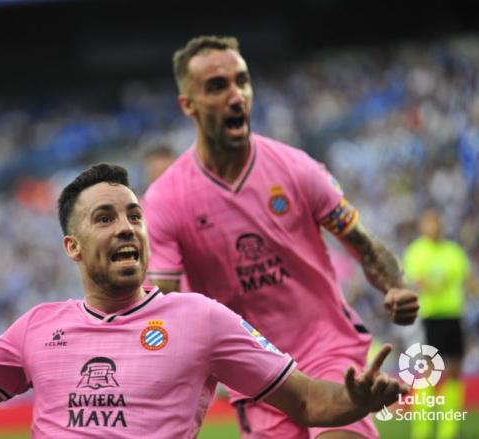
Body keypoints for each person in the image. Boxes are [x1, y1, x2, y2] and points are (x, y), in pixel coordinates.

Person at [0, 164, 409, 438]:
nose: (128, 227)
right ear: (73, 247)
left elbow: (307, 402)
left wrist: (354, 399)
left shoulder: (201, 318)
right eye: (105, 218)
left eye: (135, 215)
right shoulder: (40, 327)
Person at [142, 35, 419, 439]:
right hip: (255, 372)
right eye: (217, 86)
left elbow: (364, 244)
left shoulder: (296, 169)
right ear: (189, 105)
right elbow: (160, 305)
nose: (236, 95)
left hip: (329, 351)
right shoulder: (167, 199)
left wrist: (396, 286)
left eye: (242, 81)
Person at [404, 209, 475, 439]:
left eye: (435, 222)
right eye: (428, 223)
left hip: (453, 315)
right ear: (422, 227)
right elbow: (417, 281)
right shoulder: (417, 252)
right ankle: (422, 428)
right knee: (428, 371)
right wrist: (436, 283)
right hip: (430, 317)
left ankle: (448, 428)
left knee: (454, 370)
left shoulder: (453, 252)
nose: (433, 227)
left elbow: (469, 280)